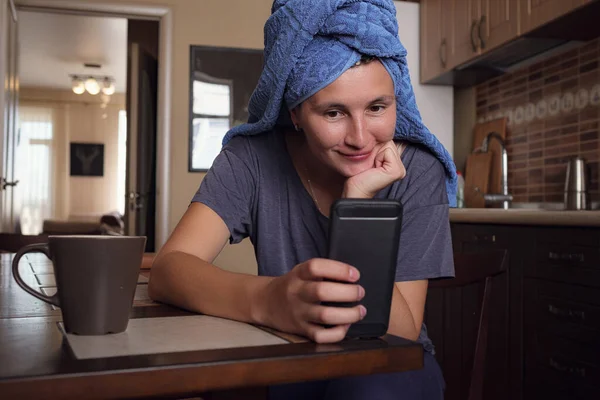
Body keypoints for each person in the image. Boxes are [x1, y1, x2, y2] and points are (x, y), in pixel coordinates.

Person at [149, 0, 456, 398]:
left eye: (377, 107)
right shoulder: (252, 160)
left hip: (390, 368)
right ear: (294, 112)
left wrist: (359, 202)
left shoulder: (419, 168)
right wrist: (269, 300)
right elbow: (168, 270)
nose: (360, 138)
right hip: (290, 359)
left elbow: (399, 328)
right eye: (333, 113)